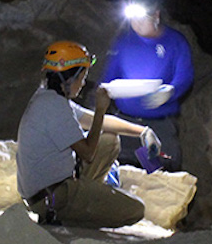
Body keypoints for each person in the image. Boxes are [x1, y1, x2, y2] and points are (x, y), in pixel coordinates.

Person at [16, 40, 162, 228]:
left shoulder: (49, 97)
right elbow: (88, 153)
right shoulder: (54, 107)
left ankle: (87, 197)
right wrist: (101, 109)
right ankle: (67, 215)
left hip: (53, 186)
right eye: (82, 77)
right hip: (52, 198)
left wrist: (143, 132)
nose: (83, 83)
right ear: (70, 78)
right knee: (135, 210)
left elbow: (94, 121)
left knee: (109, 139)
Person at [102, 0, 194, 171]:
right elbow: (109, 76)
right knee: (125, 176)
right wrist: (103, 95)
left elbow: (184, 75)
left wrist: (171, 91)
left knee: (157, 176)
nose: (136, 24)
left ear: (156, 15)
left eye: (141, 18)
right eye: (132, 18)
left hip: (157, 125)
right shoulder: (124, 42)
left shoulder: (174, 42)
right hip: (126, 124)